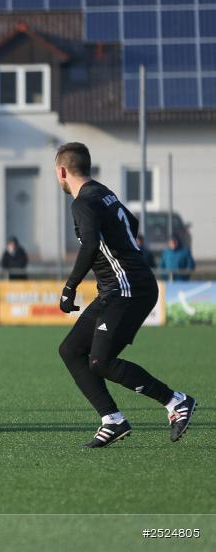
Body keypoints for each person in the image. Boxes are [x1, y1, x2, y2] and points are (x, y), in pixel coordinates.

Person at [54, 142, 195, 447]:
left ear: (62, 171)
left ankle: (175, 401)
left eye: (57, 174)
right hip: (119, 286)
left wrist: (69, 288)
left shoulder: (81, 203)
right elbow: (131, 223)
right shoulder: (103, 192)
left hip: (127, 287)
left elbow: (90, 245)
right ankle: (112, 420)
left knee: (100, 361)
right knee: (71, 350)